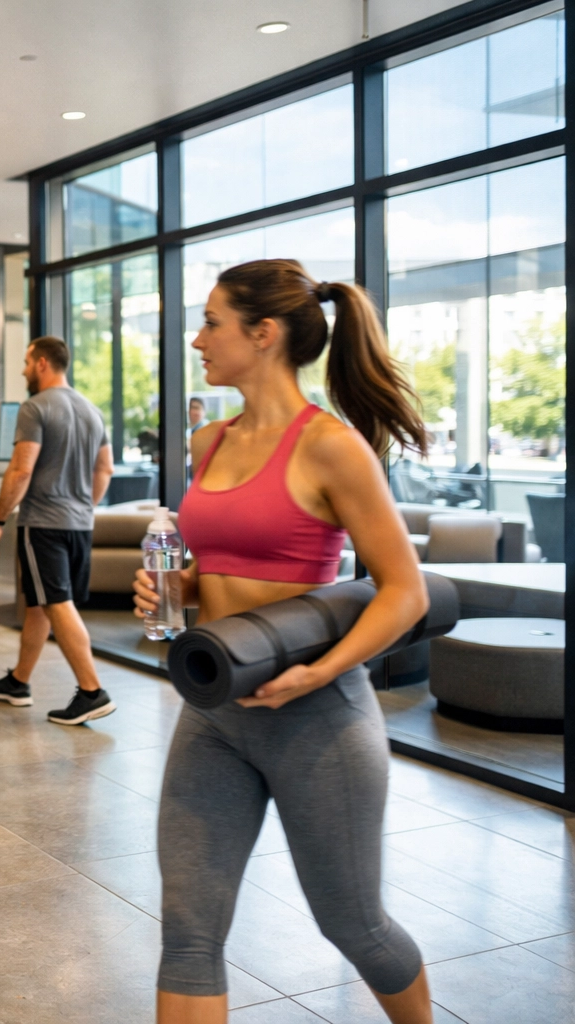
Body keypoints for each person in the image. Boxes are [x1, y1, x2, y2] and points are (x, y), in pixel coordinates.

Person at [136, 260, 433, 1024]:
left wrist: (318, 672)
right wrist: (183, 589)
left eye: (211, 323)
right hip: (215, 714)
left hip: (317, 717)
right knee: (189, 935)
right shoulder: (211, 441)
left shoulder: (330, 447)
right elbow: (225, 564)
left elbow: (406, 591)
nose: (197, 339)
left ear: (262, 334)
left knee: (355, 926)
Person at [0, 336, 115, 724]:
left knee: (56, 602)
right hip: (78, 524)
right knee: (40, 603)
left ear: (42, 363)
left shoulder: (35, 407)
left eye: (25, 362)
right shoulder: (92, 410)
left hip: (43, 523)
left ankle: (92, 691)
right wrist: (82, 506)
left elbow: (22, 469)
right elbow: (103, 468)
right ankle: (19, 681)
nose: (23, 370)